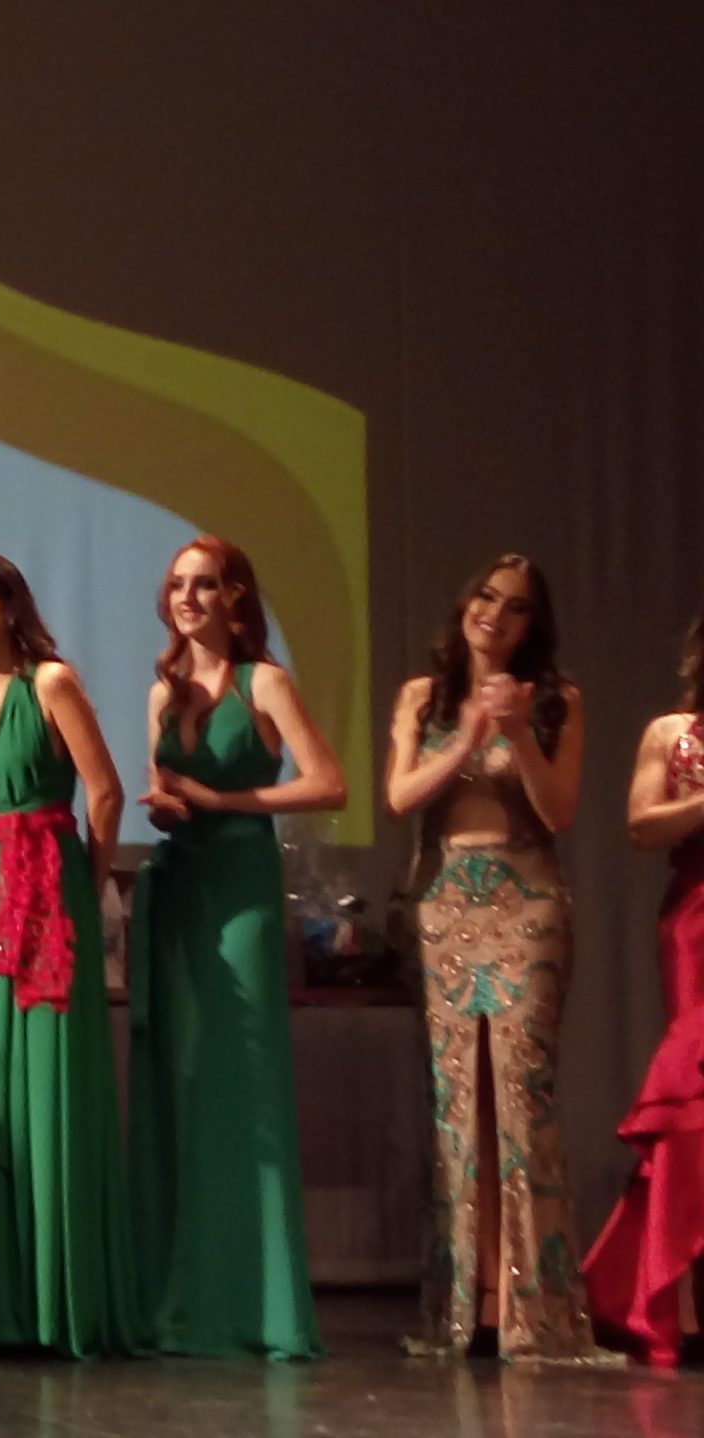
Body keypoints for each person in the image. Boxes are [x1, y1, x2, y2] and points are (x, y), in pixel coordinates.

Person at [384, 554, 608, 1362]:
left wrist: (516, 732)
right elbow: (401, 797)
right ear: (465, 604)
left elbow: (560, 809)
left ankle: (532, 1305)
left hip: (528, 904)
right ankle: (470, 1300)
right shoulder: (425, 697)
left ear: (531, 625)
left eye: (515, 608)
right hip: (444, 906)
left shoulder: (557, 700)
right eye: (486, 597)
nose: (496, 616)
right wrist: (470, 736)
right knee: (458, 1103)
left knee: (519, 1096)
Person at [0, 550, 149, 1359]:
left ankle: (57, 1306)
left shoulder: (48, 681)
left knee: (48, 1092)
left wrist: (85, 894)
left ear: (8, 604)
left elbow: (107, 790)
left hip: (47, 890)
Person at [126, 534, 342, 1360]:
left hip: (241, 887)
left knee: (240, 1082)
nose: (188, 596)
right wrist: (171, 807)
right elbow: (165, 790)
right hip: (180, 883)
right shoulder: (163, 690)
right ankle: (185, 1293)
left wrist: (221, 798)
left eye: (205, 584)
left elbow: (329, 783)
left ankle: (261, 1303)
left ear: (236, 597)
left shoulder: (265, 681)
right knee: (182, 1079)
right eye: (178, 583)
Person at [583, 597, 704, 1367]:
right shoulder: (673, 732)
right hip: (698, 922)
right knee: (691, 1111)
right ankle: (671, 1302)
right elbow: (639, 825)